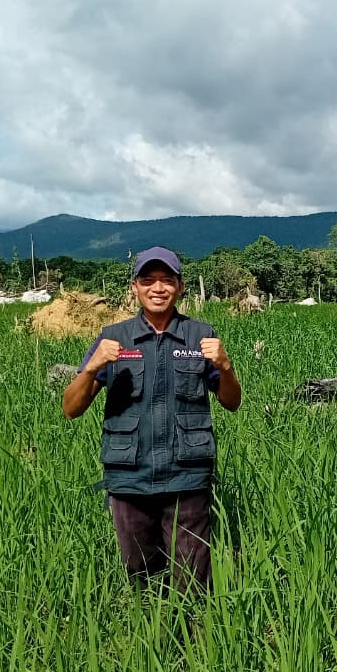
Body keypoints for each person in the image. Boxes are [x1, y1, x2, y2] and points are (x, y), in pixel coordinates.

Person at [62, 246, 241, 594]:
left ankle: (193, 643)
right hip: (129, 478)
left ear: (180, 287)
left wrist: (225, 365)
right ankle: (149, 640)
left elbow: (231, 402)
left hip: (187, 476)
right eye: (148, 280)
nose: (158, 288)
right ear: (135, 287)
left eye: (167, 280)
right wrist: (93, 368)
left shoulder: (200, 336)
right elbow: (71, 408)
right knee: (141, 576)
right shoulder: (113, 337)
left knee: (192, 582)